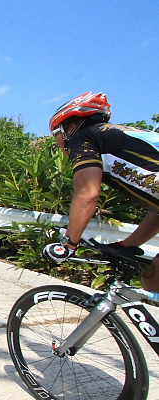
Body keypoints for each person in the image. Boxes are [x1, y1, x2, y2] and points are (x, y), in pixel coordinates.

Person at [43, 91, 159, 292]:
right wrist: (127, 245)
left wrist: (69, 245)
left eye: (56, 134)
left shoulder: (83, 138)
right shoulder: (117, 137)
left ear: (68, 128)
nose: (57, 142)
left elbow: (87, 193)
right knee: (153, 278)